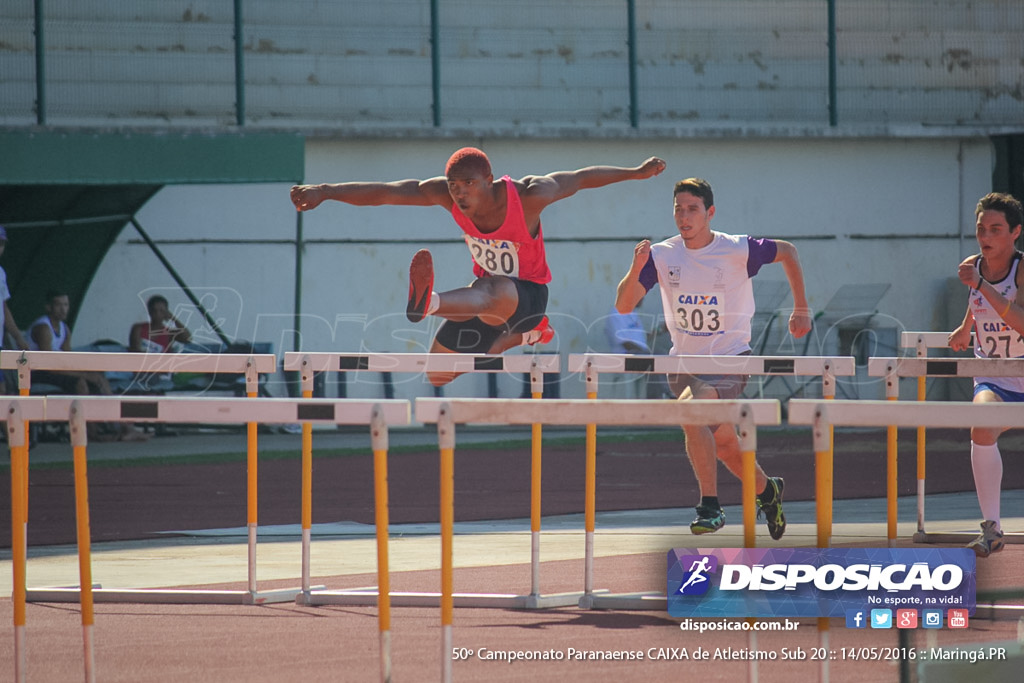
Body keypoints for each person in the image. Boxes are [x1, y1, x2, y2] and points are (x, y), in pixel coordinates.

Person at [290, 148, 666, 385]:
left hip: (527, 295)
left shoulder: (531, 195)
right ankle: (532, 335)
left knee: (495, 288)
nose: (460, 193)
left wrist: (636, 172)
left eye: (469, 184)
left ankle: (431, 303)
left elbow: (581, 179)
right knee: (438, 375)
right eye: (454, 186)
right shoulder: (446, 194)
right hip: (484, 303)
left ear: (489, 180)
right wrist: (325, 191)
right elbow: (388, 192)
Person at [614, 177, 812, 538]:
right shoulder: (661, 254)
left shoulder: (737, 249)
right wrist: (636, 265)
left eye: (692, 209)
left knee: (692, 411)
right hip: (683, 366)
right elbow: (624, 304)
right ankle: (769, 491)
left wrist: (801, 306)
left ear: (710, 213)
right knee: (725, 446)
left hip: (729, 361)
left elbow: (788, 251)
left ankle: (710, 506)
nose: (684, 217)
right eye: (678, 209)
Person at [948, 191, 1024, 558]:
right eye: (981, 229)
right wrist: (965, 328)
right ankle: (992, 527)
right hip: (995, 378)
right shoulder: (972, 267)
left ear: (1015, 233)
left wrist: (982, 286)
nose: (986, 237)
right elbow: (976, 304)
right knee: (981, 423)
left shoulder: (1021, 270)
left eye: (996, 229)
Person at [29, 289, 150, 442]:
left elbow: (68, 359)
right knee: (81, 382)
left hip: (55, 370)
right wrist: (84, 375)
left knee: (100, 379)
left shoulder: (64, 328)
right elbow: (46, 365)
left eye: (66, 305)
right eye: (58, 305)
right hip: (37, 372)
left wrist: (91, 373)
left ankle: (123, 427)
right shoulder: (43, 328)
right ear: (48, 307)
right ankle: (91, 431)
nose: (63, 309)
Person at [0, 225, 31, 393]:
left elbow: (3, 307)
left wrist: (18, 337)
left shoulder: (1, 273)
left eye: (2, 244)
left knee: (3, 391)